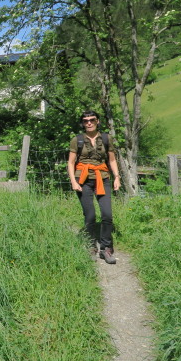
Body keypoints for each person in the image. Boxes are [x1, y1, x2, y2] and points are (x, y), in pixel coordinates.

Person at [67, 110, 121, 264]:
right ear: (82, 123)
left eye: (92, 120)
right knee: (90, 216)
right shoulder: (76, 140)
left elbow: (112, 160)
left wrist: (117, 177)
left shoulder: (106, 138)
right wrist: (73, 181)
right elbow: (71, 163)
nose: (89, 123)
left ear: (98, 121)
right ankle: (91, 246)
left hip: (102, 179)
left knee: (107, 215)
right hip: (83, 180)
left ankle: (106, 248)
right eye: (85, 121)